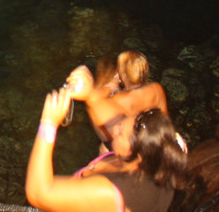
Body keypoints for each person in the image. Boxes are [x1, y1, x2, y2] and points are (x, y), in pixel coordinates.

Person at [25, 65, 190, 212]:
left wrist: (48, 124)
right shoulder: (163, 149)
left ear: (135, 156)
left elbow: (39, 194)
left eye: (120, 134)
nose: (115, 128)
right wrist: (90, 94)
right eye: (124, 121)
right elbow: (113, 119)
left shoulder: (111, 191)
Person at [89, 52, 169, 152]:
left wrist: (109, 87)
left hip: (129, 145)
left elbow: (103, 132)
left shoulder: (118, 99)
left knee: (104, 147)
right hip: (150, 140)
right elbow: (164, 119)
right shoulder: (157, 89)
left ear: (123, 75)